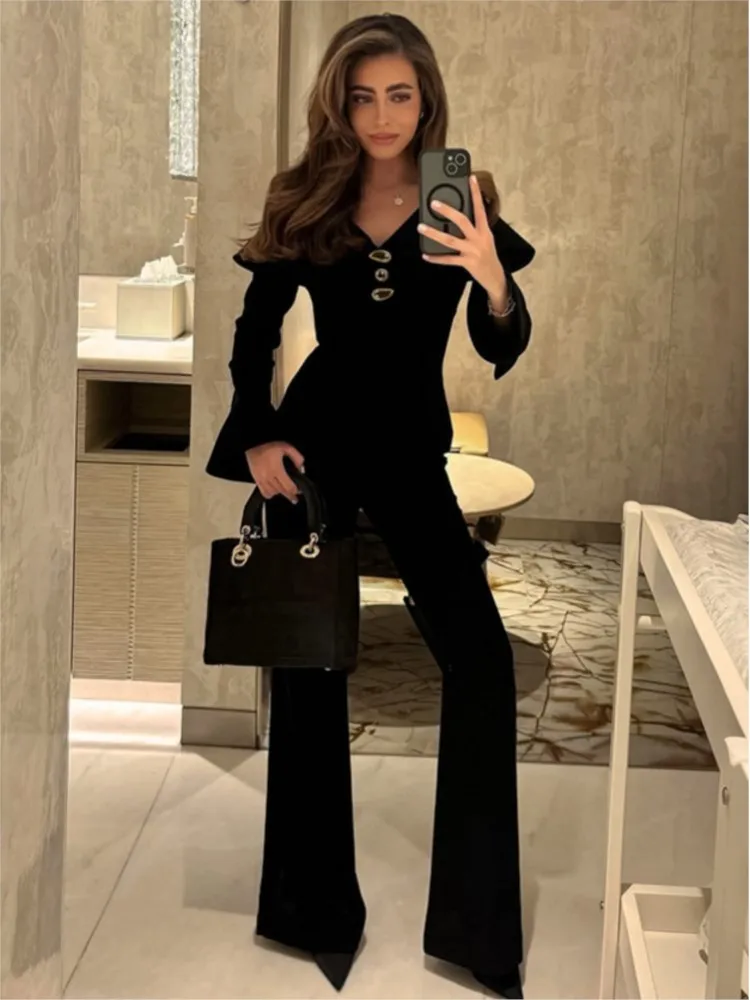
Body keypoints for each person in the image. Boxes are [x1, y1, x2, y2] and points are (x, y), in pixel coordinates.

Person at [206, 12, 534, 999]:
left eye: (400, 94)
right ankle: (314, 910)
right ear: (339, 104)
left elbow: (500, 340)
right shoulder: (306, 194)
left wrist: (494, 280)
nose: (382, 114)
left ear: (426, 100)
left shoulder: (460, 196)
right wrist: (256, 432)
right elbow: (256, 328)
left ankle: (477, 929)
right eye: (363, 97)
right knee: (312, 666)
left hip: (410, 451)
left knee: (480, 660)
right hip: (314, 451)